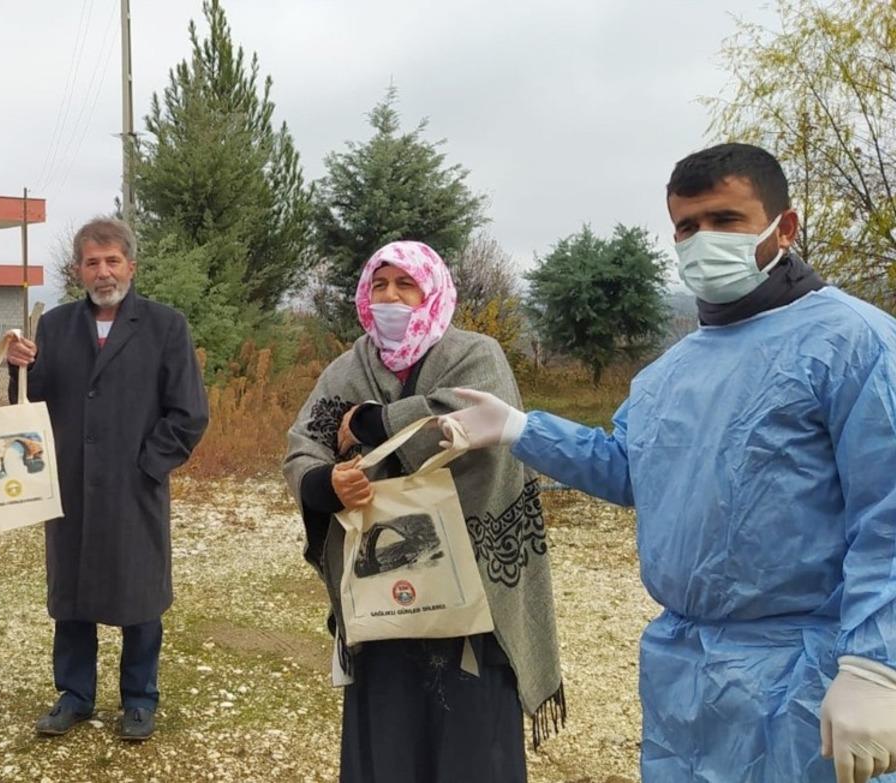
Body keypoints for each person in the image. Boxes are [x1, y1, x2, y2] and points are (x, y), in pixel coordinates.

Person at [444, 143, 896, 783]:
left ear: (784, 227)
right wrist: (519, 428)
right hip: (686, 672)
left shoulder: (856, 344)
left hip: (813, 674)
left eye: (725, 220)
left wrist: (875, 665)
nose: (701, 239)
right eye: (687, 226)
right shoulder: (668, 373)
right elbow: (633, 469)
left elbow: (889, 511)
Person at [282, 241, 565, 783]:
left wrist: (374, 422)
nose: (390, 297)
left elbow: (474, 427)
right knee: (387, 733)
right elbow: (304, 445)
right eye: (379, 285)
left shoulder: (476, 356)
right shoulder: (348, 369)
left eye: (404, 284)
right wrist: (327, 483)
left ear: (431, 289)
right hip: (379, 593)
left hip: (471, 591)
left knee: (470, 741)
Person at [5, 217, 208, 742]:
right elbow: (31, 407)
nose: (102, 272)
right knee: (71, 591)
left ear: (131, 266)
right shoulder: (54, 327)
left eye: (112, 260)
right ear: (78, 270)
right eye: (92, 262)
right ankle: (75, 694)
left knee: (139, 591)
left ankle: (139, 697)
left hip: (133, 486)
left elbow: (188, 412)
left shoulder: (166, 326)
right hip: (69, 485)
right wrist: (17, 368)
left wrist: (147, 465)